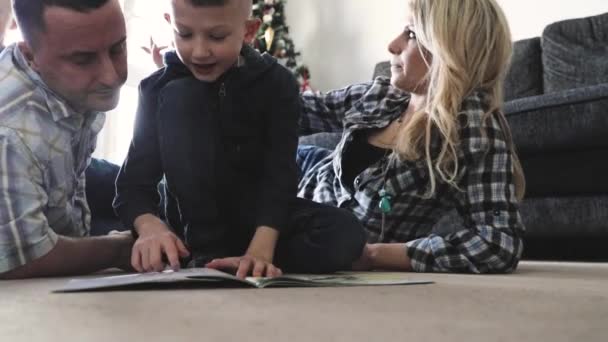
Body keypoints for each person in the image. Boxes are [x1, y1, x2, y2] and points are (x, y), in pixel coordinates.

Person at [114, 0, 366, 278]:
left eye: (217, 36)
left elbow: (280, 175)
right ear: (169, 22)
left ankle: (240, 260)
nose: (199, 51)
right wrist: (151, 227)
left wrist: (261, 249)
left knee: (345, 233)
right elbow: (132, 186)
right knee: (180, 95)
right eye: (184, 34)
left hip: (263, 225)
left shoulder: (277, 84)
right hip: (190, 229)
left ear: (249, 31)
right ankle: (206, 256)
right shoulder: (157, 89)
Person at [297, 0, 526, 274]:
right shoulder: (385, 95)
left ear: (450, 49)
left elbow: (498, 243)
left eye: (412, 35)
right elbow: (298, 110)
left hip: (318, 232)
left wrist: (374, 255)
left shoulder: (473, 127)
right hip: (301, 172)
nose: (392, 45)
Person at [0, 0, 133, 280]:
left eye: (117, 48)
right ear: (30, 56)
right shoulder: (11, 135)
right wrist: (120, 249)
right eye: (83, 59)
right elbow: (22, 258)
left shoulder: (70, 84)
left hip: (61, 204)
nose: (111, 77)